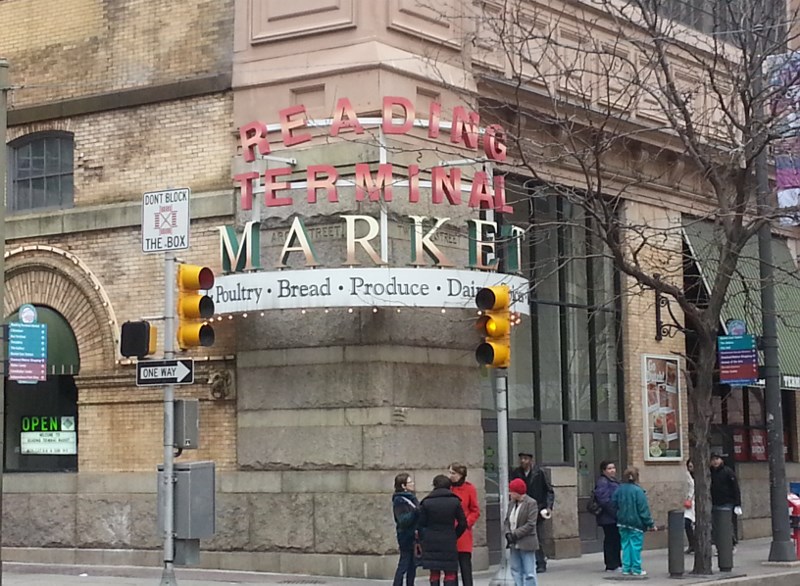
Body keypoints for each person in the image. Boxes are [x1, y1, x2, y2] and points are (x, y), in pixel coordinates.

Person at [418, 475, 468, 586]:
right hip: (448, 539)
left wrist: (424, 537)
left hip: (431, 539)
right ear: (449, 486)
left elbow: (421, 524)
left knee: (434, 572)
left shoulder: (426, 502)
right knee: (449, 572)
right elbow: (463, 523)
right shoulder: (455, 501)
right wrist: (455, 535)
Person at [510, 452, 554, 572]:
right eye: (521, 459)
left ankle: (540, 562)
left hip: (538, 507)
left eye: (525, 459)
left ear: (530, 460)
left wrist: (549, 506)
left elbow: (549, 491)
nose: (523, 461)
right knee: (522, 534)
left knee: (537, 536)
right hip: (521, 507)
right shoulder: (516, 473)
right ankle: (526, 562)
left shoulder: (540, 472)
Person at [612, 466, 654, 577]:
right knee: (635, 546)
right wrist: (650, 523)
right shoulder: (638, 491)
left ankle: (626, 568)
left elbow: (613, 503)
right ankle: (636, 569)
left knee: (625, 545)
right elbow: (643, 510)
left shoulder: (619, 489)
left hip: (622, 521)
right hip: (636, 523)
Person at [448, 462, 480, 586]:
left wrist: (467, 523)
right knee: (451, 568)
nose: (450, 476)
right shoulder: (448, 488)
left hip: (463, 531)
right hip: (450, 530)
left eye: (453, 473)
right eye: (450, 472)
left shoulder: (469, 488)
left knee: (465, 565)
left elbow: (475, 510)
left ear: (461, 475)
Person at [504, 478, 539, 586]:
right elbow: (506, 521)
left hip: (527, 542)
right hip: (514, 543)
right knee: (515, 570)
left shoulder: (531, 503)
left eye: (511, 491)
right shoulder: (511, 504)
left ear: (517, 492)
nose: (510, 493)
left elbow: (531, 524)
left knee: (529, 572)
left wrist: (515, 534)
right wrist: (508, 533)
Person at [393, 473, 420, 586]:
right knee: (404, 563)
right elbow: (402, 520)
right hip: (405, 536)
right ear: (403, 486)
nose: (413, 484)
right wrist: (415, 512)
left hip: (413, 535)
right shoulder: (399, 500)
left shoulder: (412, 498)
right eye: (410, 482)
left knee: (412, 565)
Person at [594, 460, 621, 572]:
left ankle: (616, 563)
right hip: (608, 517)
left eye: (613, 468)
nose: (612, 470)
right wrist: (615, 513)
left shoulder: (613, 481)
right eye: (609, 468)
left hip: (613, 516)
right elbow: (604, 500)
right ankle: (611, 564)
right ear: (604, 470)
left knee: (615, 540)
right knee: (611, 540)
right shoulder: (603, 482)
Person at [710, 453, 742, 548]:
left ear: (721, 460)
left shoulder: (728, 471)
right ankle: (721, 545)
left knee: (725, 524)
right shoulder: (710, 472)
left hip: (727, 502)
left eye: (717, 459)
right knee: (717, 526)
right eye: (713, 459)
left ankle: (730, 544)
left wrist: (737, 504)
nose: (715, 461)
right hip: (715, 502)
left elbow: (735, 488)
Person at [684, 459, 696, 555]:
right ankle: (692, 544)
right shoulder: (687, 476)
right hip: (690, 503)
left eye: (692, 466)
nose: (690, 468)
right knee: (687, 523)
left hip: (697, 502)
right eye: (689, 466)